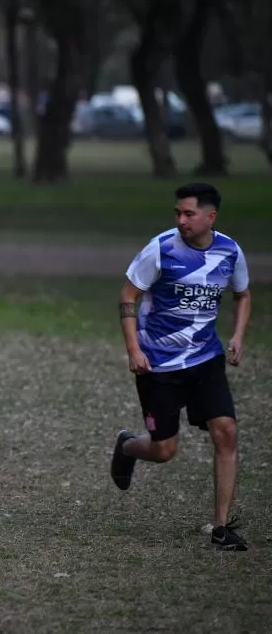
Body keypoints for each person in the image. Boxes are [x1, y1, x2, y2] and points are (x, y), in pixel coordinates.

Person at [110, 182, 251, 551]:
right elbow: (128, 296)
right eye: (178, 213)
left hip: (206, 358)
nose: (181, 220)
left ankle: (222, 528)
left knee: (226, 433)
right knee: (164, 451)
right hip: (158, 363)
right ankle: (127, 447)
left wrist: (237, 336)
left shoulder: (229, 251)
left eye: (189, 214)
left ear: (210, 216)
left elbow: (242, 294)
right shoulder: (161, 248)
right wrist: (133, 349)